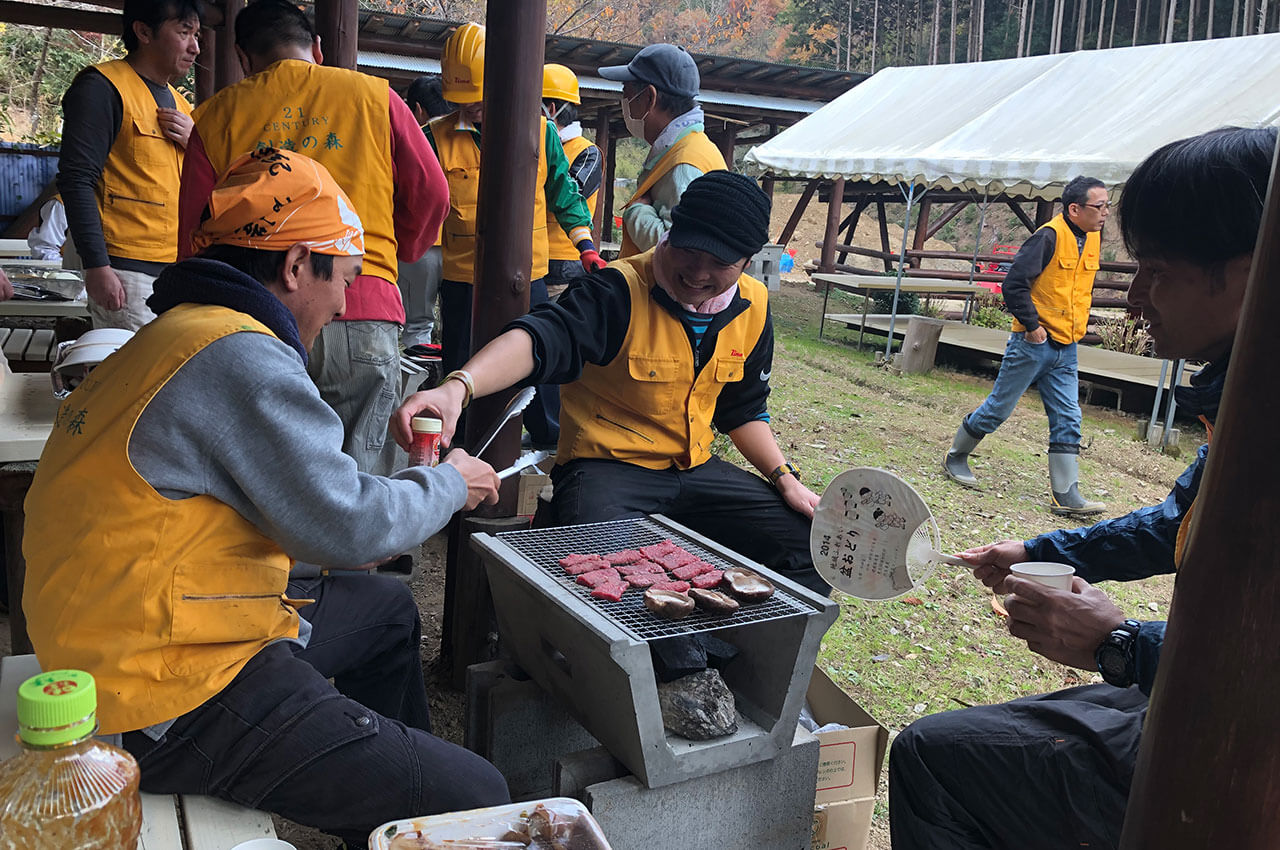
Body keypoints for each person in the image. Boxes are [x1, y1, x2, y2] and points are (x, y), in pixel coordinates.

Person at [21, 149, 509, 846]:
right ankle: (417, 804)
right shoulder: (241, 355)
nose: (344, 302)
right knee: (477, 796)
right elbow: (347, 525)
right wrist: (451, 483)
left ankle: (382, 800)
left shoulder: (179, 332)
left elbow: (314, 508)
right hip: (164, 692)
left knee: (389, 609)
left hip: (116, 636)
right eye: (343, 278)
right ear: (294, 265)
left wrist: (393, 496)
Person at [889, 126, 1275, 850]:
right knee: (946, 750)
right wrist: (1042, 547)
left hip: (1243, 756)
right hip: (1194, 701)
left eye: (1157, 271)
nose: (1133, 300)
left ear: (1251, 272)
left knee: (939, 764)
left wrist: (1125, 644)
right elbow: (1179, 521)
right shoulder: (1245, 399)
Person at [395, 171, 828, 596]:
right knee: (617, 576)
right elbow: (541, 339)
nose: (698, 272)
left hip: (693, 470)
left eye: (719, 263)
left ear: (747, 262)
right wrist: (457, 387)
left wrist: (784, 478)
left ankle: (736, 654)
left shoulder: (753, 305)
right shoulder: (616, 291)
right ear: (671, 231)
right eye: (689, 251)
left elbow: (744, 409)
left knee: (812, 547)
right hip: (606, 470)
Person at [177, 0, 446, 476]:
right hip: (363, 307)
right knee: (361, 483)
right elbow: (432, 194)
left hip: (255, 314)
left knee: (267, 478)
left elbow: (194, 236)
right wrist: (390, 255)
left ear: (243, 57)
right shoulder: (375, 97)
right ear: (318, 49)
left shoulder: (216, 116)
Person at [428, 22, 605, 449]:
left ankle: (549, 448)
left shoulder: (541, 133)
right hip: (462, 281)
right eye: (462, 102)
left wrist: (586, 248)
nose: (471, 109)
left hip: (532, 277)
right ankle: (460, 450)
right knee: (460, 365)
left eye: (479, 99)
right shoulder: (435, 137)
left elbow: (565, 195)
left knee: (542, 362)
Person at [943, 176, 1111, 517]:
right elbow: (1014, 284)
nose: (1106, 212)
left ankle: (1066, 494)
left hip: (1067, 345)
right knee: (998, 409)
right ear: (1075, 209)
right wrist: (1033, 328)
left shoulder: (1092, 237)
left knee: (1068, 416)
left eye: (1109, 205)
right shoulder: (1047, 237)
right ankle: (956, 457)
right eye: (1100, 206)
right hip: (1033, 342)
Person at [56, 0, 199, 330]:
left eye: (197, 35)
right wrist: (97, 266)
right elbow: (77, 179)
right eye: (184, 32)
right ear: (144, 31)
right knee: (134, 379)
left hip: (173, 267)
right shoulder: (101, 87)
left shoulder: (180, 104)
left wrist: (195, 145)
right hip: (124, 271)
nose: (195, 47)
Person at [599, 43, 727, 258]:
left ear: (649, 97)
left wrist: (637, 212)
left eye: (626, 93)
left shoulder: (686, 164)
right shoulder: (683, 149)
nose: (624, 104)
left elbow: (681, 249)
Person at [399, 75, 453, 353]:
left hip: (422, 246)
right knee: (456, 323)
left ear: (417, 109)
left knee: (418, 325)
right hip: (462, 247)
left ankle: (419, 387)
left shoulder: (416, 139)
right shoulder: (464, 136)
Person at [541, 63, 604, 298]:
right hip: (532, 255)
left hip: (564, 261)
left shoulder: (588, 152)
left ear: (551, 108)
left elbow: (567, 193)